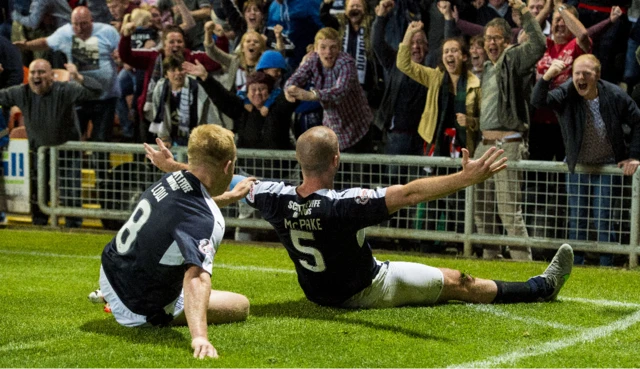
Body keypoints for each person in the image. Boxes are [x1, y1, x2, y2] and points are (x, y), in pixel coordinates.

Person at [146, 126, 574, 309]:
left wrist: (172, 167)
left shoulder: (272, 196)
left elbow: (217, 175)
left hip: (317, 294)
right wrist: (466, 176)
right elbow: (409, 193)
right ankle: (540, 287)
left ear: (299, 161)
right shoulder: (343, 204)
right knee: (457, 281)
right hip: (367, 289)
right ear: (336, 159)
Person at [98, 124, 252, 359]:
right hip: (137, 307)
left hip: (110, 269)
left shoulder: (172, 177)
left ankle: (108, 295)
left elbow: (191, 207)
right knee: (241, 305)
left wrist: (229, 197)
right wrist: (199, 336)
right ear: (228, 166)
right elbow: (197, 277)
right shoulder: (208, 219)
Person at [531, 54, 640, 266]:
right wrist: (547, 77)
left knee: (603, 218)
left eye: (586, 73)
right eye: (576, 73)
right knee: (577, 219)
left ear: (597, 75)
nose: (581, 77)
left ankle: (608, 265)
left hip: (608, 164)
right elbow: (538, 101)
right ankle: (575, 264)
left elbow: (638, 120)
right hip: (578, 165)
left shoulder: (615, 94)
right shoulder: (566, 92)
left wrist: (634, 156)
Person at [473, 0, 546, 261]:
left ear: (506, 41)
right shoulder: (488, 67)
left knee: (507, 208)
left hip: (508, 144)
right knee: (480, 207)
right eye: (488, 38)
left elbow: (539, 45)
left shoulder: (514, 59)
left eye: (497, 38)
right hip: (484, 144)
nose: (491, 43)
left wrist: (525, 14)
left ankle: (523, 263)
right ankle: (490, 256)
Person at [0, 59, 102, 227]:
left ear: (52, 76)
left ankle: (73, 226)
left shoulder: (65, 89)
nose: (36, 76)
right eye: (33, 72)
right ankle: (39, 224)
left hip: (67, 152)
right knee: (38, 193)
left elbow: (97, 91)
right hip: (39, 153)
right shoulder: (21, 92)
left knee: (71, 192)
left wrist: (78, 77)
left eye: (41, 72)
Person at [285, 27, 372, 155]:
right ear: (315, 48)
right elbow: (296, 78)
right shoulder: (313, 60)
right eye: (323, 47)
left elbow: (340, 90)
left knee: (360, 172)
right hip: (333, 129)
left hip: (358, 129)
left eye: (333, 47)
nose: (328, 52)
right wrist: (289, 89)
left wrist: (312, 95)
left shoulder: (346, 62)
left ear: (339, 48)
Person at [150, 55, 215, 147]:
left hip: (195, 139)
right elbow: (157, 113)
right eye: (173, 70)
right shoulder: (161, 88)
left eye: (180, 69)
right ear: (166, 74)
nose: (178, 73)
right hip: (172, 139)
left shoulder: (196, 87)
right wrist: (164, 138)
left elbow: (208, 115)